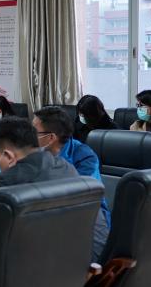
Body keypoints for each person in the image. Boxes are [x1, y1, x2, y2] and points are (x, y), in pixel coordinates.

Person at [0, 117, 79, 260]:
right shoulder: (66, 167)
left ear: (9, 156)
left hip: (27, 264)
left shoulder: (9, 179)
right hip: (71, 260)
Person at [33, 106, 110, 261]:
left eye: (34, 132)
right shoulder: (37, 154)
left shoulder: (84, 155)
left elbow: (81, 194)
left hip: (87, 223)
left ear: (50, 137)